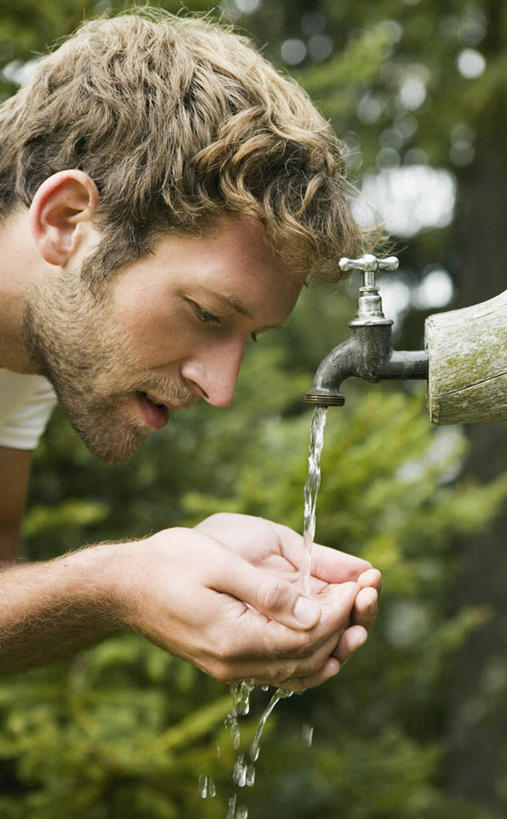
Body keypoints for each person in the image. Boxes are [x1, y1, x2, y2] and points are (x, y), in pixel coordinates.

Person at [0, 9, 381, 691]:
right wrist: (116, 581)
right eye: (206, 313)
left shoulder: (32, 336)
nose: (220, 388)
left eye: (247, 336)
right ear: (66, 221)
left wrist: (148, 576)